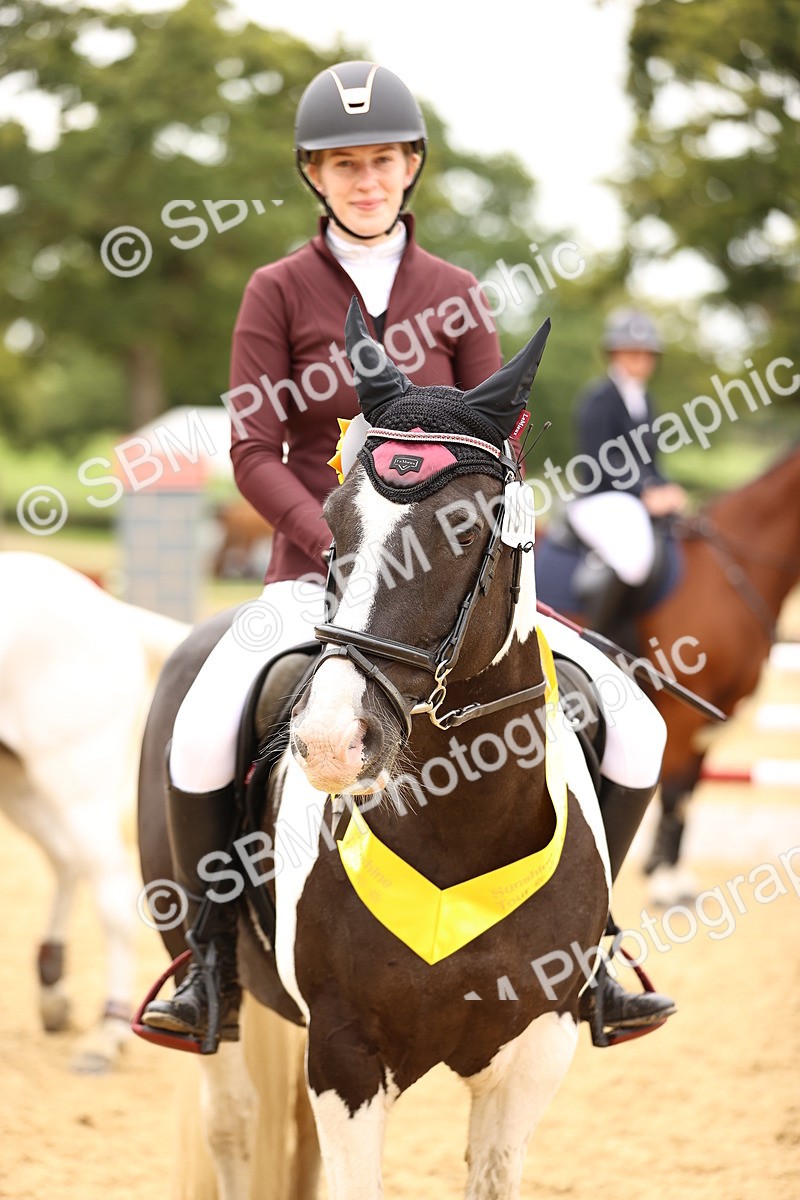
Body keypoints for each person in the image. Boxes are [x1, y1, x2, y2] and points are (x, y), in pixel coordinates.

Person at [139, 62, 675, 1051]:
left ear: (410, 164)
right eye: (342, 163)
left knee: (634, 720)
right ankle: (206, 965)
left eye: (380, 159)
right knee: (200, 726)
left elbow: (500, 451)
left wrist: (455, 552)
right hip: (312, 578)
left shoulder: (458, 294)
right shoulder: (277, 291)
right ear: (313, 174)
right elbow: (254, 450)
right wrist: (331, 544)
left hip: (448, 592)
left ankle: (590, 950)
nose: (364, 178)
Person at [566, 307, 689, 641]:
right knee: (633, 557)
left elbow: (651, 461)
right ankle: (598, 638)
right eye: (632, 352)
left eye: (647, 353)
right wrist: (643, 493)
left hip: (631, 498)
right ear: (615, 353)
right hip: (600, 497)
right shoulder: (599, 398)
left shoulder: (646, 400)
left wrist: (666, 488)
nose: (640, 360)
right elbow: (601, 459)